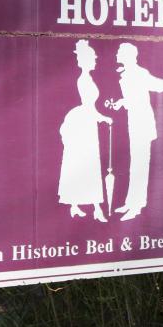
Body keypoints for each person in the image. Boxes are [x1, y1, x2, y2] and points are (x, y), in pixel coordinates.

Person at [106, 43, 163, 221]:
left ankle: (137, 206)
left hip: (142, 124)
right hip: (134, 122)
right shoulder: (127, 74)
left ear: (129, 56)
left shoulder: (139, 73)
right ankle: (132, 202)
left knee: (140, 165)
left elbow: (160, 86)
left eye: (119, 52)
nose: (116, 55)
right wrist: (121, 103)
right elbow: (133, 97)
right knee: (135, 164)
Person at [56, 40, 112, 222]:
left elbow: (90, 107)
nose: (96, 58)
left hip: (86, 120)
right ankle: (93, 208)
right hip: (84, 122)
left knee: (85, 162)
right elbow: (89, 106)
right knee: (85, 163)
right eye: (93, 57)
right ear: (86, 60)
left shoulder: (87, 78)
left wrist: (101, 117)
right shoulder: (84, 79)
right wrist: (102, 117)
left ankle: (80, 206)